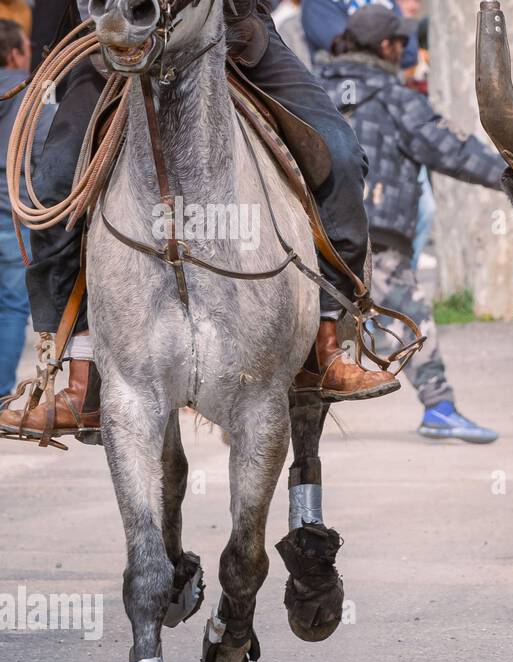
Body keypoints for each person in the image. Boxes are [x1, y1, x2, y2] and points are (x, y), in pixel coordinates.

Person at [0, 0, 402, 443]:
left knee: (340, 154)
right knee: (55, 179)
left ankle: (329, 340)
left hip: (233, 36)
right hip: (110, 43)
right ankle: (78, 377)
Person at [318, 5, 505, 443]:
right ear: (387, 47)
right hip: (376, 238)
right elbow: (456, 152)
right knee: (410, 318)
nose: (405, 50)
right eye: (401, 42)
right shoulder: (397, 98)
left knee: (302, 324)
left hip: (307, 234)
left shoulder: (309, 88)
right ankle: (439, 409)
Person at [0, 18, 40, 398]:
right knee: (12, 309)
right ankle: (0, 393)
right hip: (15, 221)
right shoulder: (31, 97)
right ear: (14, 53)